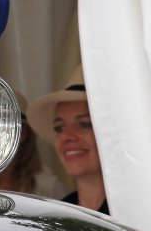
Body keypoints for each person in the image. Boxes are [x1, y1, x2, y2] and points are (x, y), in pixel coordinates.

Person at [26, 76, 107, 214]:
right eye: (59, 128)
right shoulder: (56, 217)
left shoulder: (136, 211)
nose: (66, 136)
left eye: (84, 124)